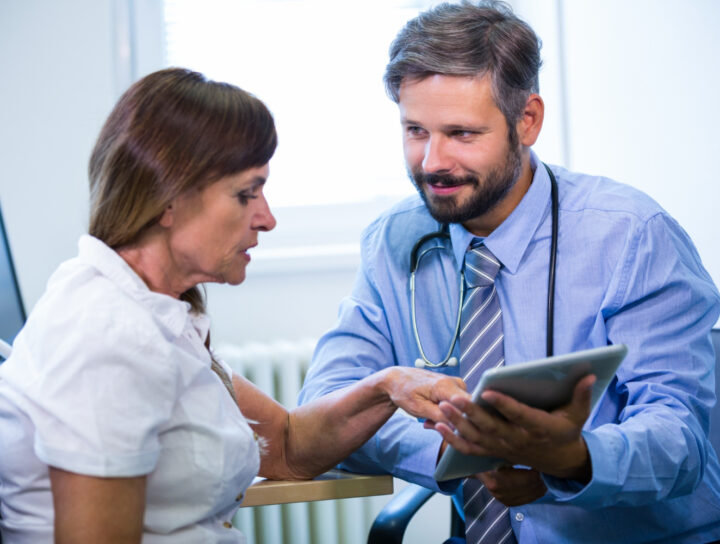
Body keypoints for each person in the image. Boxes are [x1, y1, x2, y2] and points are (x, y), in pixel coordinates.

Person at [298, 1, 720, 543]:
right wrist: (456, 449)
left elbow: (681, 441)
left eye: (462, 133)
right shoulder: (394, 239)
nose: (432, 162)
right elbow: (327, 409)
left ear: (528, 120)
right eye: (415, 130)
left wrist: (572, 460)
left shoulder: (632, 236)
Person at [0, 67, 468, 544]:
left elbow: (287, 446)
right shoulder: (108, 339)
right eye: (246, 194)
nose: (267, 219)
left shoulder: (157, 313)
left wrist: (389, 385)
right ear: (166, 200)